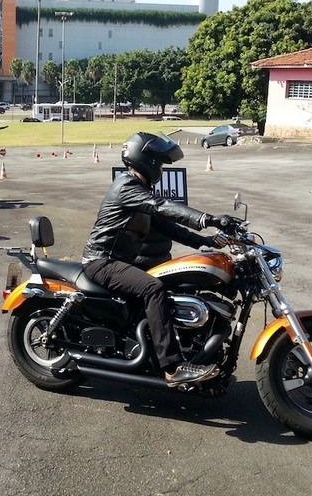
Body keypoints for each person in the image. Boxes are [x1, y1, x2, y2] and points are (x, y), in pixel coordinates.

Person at [81, 132, 232, 388]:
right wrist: (207, 218)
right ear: (147, 160)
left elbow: (167, 226)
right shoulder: (126, 186)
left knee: (175, 281)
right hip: (102, 261)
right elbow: (161, 206)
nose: (161, 168)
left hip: (121, 262)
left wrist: (205, 242)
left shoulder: (137, 189)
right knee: (153, 288)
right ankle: (172, 367)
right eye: (159, 163)